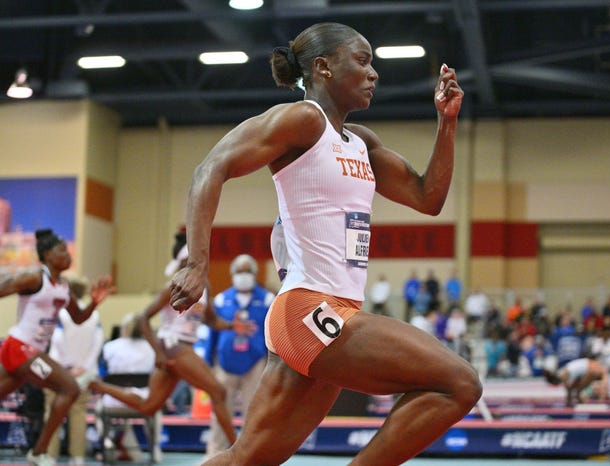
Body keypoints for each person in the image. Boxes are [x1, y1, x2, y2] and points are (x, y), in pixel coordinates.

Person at [170, 22, 482, 466]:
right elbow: (210, 168)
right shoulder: (300, 120)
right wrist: (198, 264)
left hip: (332, 316)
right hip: (309, 311)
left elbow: (428, 197)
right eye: (362, 61)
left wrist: (446, 123)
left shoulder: (361, 143)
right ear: (323, 67)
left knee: (246, 460)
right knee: (459, 382)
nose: (373, 73)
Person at [90, 232, 251, 453]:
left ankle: (95, 384)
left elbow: (211, 319)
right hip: (173, 345)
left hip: (181, 348)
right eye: (189, 261)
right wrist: (158, 353)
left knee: (149, 407)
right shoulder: (173, 285)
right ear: (182, 262)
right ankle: (238, 450)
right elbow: (143, 318)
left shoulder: (205, 285)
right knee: (219, 392)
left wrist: (233, 326)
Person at [0, 228, 114, 466]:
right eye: (61, 249)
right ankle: (39, 452)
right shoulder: (34, 277)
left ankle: (38, 452)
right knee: (70, 388)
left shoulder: (62, 286)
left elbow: (79, 317)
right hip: (19, 348)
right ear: (47, 254)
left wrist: (94, 303)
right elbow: (5, 285)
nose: (67, 254)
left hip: (31, 354)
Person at [207, 254, 274, 457]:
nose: (243, 275)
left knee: (253, 413)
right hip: (225, 362)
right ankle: (215, 454)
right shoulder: (221, 299)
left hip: (255, 363)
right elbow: (212, 330)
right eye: (239, 272)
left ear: (254, 274)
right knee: (220, 411)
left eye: (246, 271)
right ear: (232, 274)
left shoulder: (267, 299)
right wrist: (208, 361)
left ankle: (251, 455)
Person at [44, 276, 104, 466]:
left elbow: (58, 340)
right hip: (83, 374)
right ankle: (77, 458)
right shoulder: (93, 315)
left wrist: (68, 365)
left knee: (53, 414)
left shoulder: (61, 312)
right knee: (79, 414)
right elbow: (98, 343)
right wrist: (83, 366)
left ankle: (50, 457)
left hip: (59, 371)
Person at [97, 312, 158, 463]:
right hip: (143, 401)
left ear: (124, 329)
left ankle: (106, 443)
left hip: (114, 401)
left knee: (99, 409)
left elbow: (103, 374)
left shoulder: (110, 347)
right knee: (156, 411)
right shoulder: (152, 349)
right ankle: (155, 448)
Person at [543, 357, 609, 407]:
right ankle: (585, 403)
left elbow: (569, 389)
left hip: (589, 367)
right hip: (590, 364)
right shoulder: (564, 372)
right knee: (577, 390)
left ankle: (598, 403)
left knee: (577, 390)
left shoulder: (563, 374)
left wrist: (568, 402)